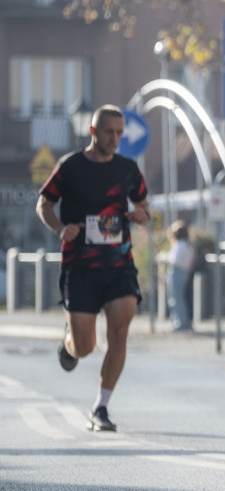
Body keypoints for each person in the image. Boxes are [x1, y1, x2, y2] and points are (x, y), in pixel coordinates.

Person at [36, 104, 152, 433]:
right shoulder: (70, 166)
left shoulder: (128, 168)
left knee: (120, 329)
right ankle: (69, 342)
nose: (115, 138)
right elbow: (43, 203)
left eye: (119, 133)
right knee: (85, 347)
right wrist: (60, 229)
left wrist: (142, 215)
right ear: (93, 133)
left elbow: (144, 206)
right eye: (108, 133)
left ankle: (101, 407)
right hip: (80, 267)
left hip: (119, 264)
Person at [166, 220, 195, 332]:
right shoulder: (189, 245)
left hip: (177, 272)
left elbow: (174, 260)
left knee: (176, 298)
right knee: (182, 298)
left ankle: (179, 323)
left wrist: (165, 258)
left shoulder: (179, 245)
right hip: (186, 272)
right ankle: (184, 322)